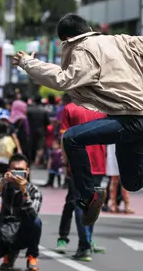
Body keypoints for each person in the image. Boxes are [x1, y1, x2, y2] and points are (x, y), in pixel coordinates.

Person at [12, 13, 143, 226]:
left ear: (67, 39)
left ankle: (88, 197)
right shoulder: (121, 40)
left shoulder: (83, 49)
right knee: (132, 181)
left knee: (71, 138)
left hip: (127, 122)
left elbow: (64, 78)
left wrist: (28, 63)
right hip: (141, 120)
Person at [56, 99, 106, 261]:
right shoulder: (102, 108)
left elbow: (65, 137)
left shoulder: (70, 109)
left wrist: (65, 161)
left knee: (80, 203)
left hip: (78, 161)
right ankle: (87, 240)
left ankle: (84, 245)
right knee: (92, 202)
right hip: (98, 162)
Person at [0, 153, 42, 271]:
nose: (17, 174)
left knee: (37, 222)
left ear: (27, 171)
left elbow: (32, 215)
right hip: (4, 231)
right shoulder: (3, 183)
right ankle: (8, 254)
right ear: (9, 170)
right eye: (14, 170)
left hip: (22, 233)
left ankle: (32, 256)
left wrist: (24, 193)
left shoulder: (34, 190)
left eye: (20, 170)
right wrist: (2, 183)